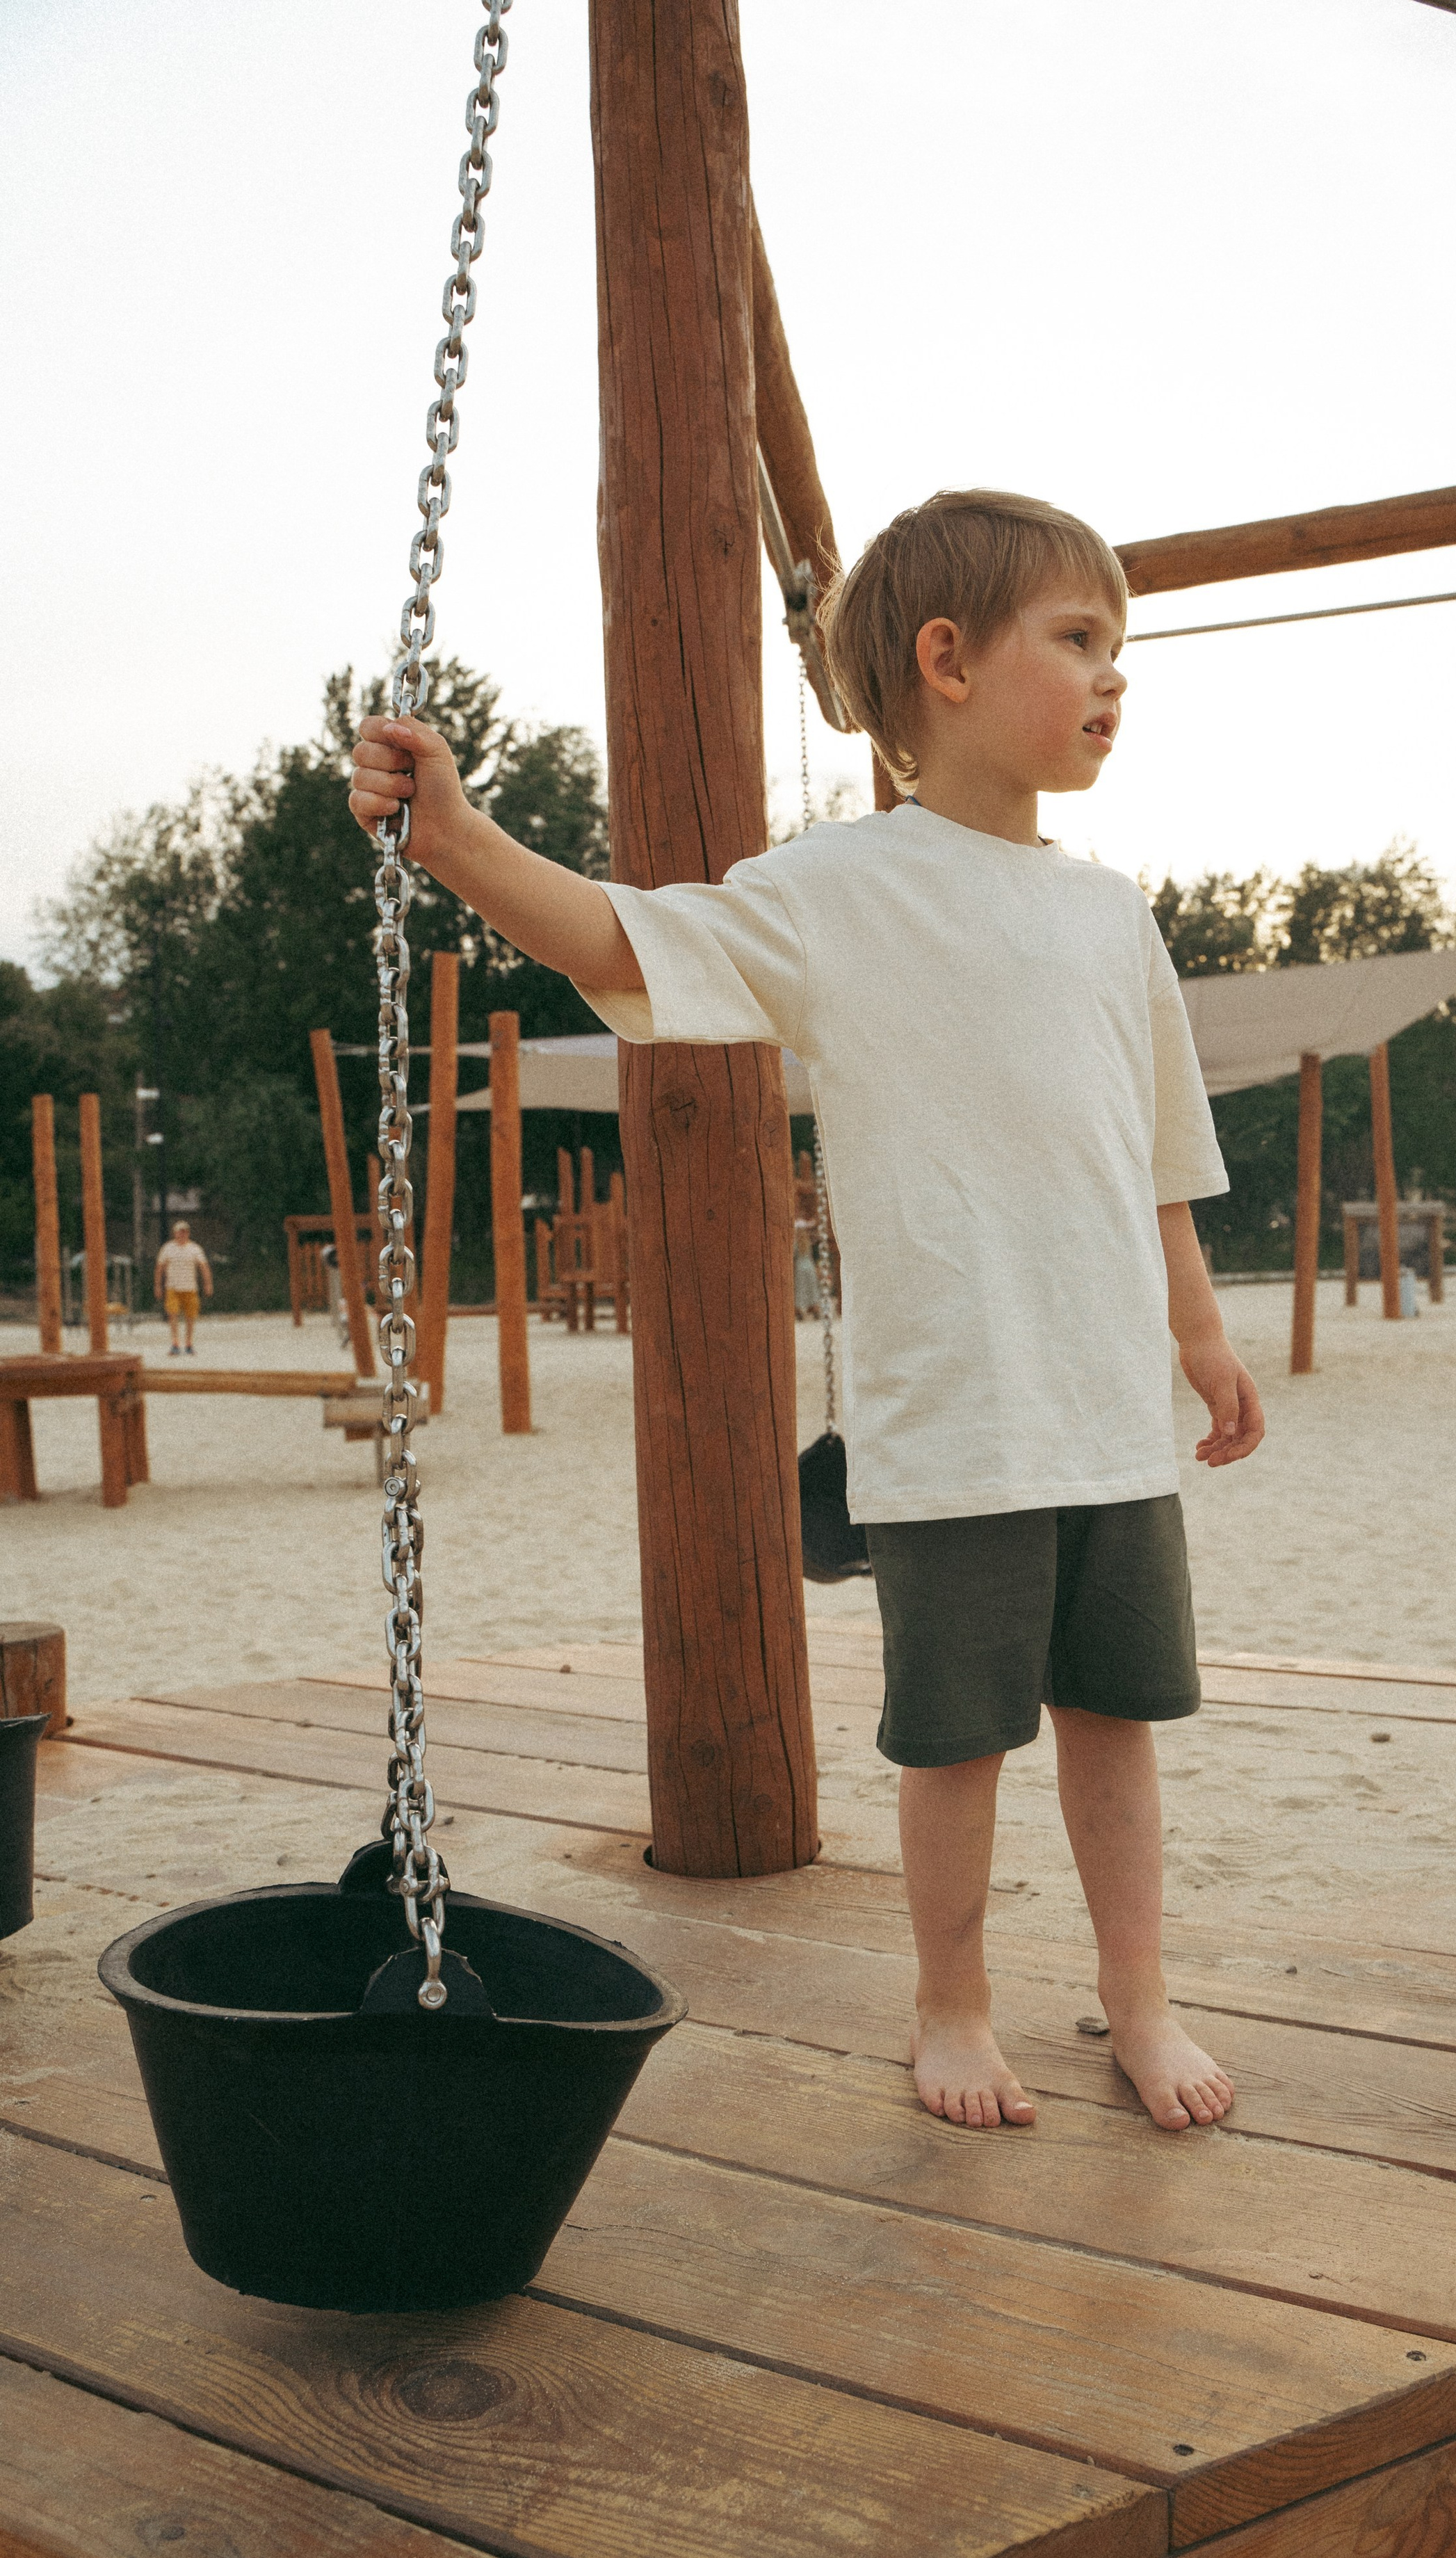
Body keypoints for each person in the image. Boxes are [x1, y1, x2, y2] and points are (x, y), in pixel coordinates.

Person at [349, 487, 1263, 2134]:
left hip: (1108, 1403)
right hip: (949, 1412)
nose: (1111, 677)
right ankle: (953, 2001)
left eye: (1116, 647)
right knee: (956, 1739)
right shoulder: (841, 890)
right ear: (946, 661)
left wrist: (1195, 1328)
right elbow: (625, 940)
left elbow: (1157, 1150)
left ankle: (1137, 1997)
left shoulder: (1108, 910)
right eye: (1077, 640)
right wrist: (460, 842)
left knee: (1117, 1724)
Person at [154, 1218, 213, 1355]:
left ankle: (189, 1343)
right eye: (180, 1232)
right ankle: (175, 1343)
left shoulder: (195, 1248)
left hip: (190, 1288)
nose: (182, 1235)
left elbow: (204, 1267)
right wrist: (158, 1285)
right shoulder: (168, 1248)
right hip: (173, 1287)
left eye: (185, 1232)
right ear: (175, 1233)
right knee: (173, 1314)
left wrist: (208, 1283)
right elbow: (160, 1268)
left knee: (190, 1316)